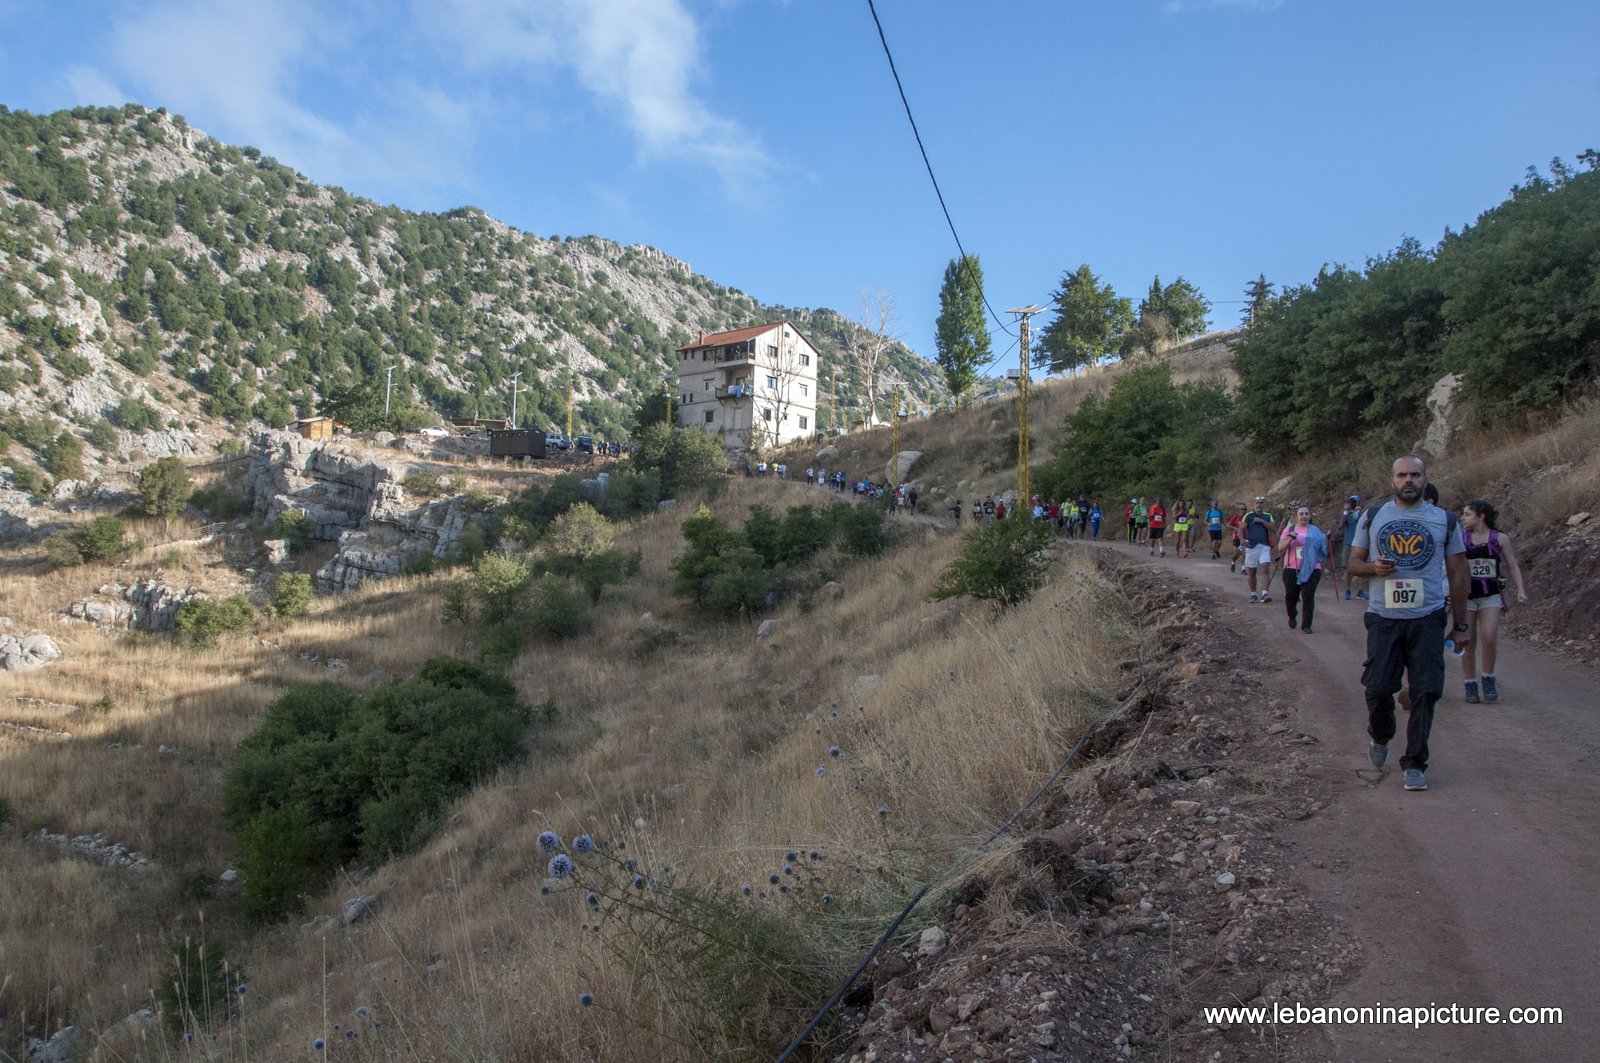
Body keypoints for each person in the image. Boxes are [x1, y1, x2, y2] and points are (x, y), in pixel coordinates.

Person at [1349, 454, 1469, 792]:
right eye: (1402, 475)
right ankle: (1381, 734)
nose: (1408, 481)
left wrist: (1461, 624)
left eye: (1415, 475)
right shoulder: (1373, 517)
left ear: (1425, 478)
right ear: (1393, 481)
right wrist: (1374, 568)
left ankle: (1415, 763)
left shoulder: (1444, 520)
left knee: (1426, 691)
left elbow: (1459, 571)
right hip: (1384, 617)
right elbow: (1353, 565)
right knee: (1377, 688)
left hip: (1427, 617)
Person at [1458, 499, 1529, 703]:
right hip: (1468, 598)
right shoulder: (1461, 539)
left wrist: (1520, 590)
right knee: (1467, 640)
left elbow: (1513, 565)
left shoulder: (1500, 539)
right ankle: (1470, 683)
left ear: (1481, 517)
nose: (1463, 518)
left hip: (1491, 595)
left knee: (1489, 636)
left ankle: (1488, 678)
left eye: (1468, 514)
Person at [1275, 505, 1334, 633]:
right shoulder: (1289, 529)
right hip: (1291, 569)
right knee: (1291, 597)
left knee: (1308, 596)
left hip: (1313, 569)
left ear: (1310, 516)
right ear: (1296, 516)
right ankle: (1292, 615)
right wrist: (1291, 538)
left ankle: (1306, 625)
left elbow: (1321, 546)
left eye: (1307, 514)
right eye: (1301, 514)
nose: (1304, 516)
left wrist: (1326, 538)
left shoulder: (1315, 530)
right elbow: (1280, 548)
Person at [1240, 498, 1275, 602]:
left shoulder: (1268, 516)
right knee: (1252, 572)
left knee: (1265, 567)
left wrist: (1261, 521)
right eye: (1257, 503)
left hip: (1264, 545)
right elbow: (1241, 528)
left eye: (1261, 503)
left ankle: (1265, 593)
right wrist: (1242, 539)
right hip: (1251, 546)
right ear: (1254, 504)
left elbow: (1273, 528)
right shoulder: (1249, 515)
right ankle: (1253, 594)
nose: (1259, 505)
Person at [1339, 496, 1368, 600]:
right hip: (1348, 543)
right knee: (1347, 568)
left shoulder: (1362, 514)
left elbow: (1365, 526)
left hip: (1360, 544)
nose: (1354, 504)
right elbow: (1341, 526)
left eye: (1356, 502)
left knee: (1361, 568)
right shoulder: (1347, 514)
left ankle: (1360, 590)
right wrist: (1346, 512)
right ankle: (1347, 590)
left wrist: (1358, 512)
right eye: (1353, 502)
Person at [1227, 504, 1246, 571]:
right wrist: (1234, 528)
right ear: (1239, 510)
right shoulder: (1236, 517)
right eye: (1242, 509)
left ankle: (1243, 568)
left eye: (1245, 509)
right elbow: (1228, 525)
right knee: (1236, 554)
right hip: (1236, 537)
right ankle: (1233, 562)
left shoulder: (1247, 517)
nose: (1243, 511)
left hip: (1244, 538)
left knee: (1244, 553)